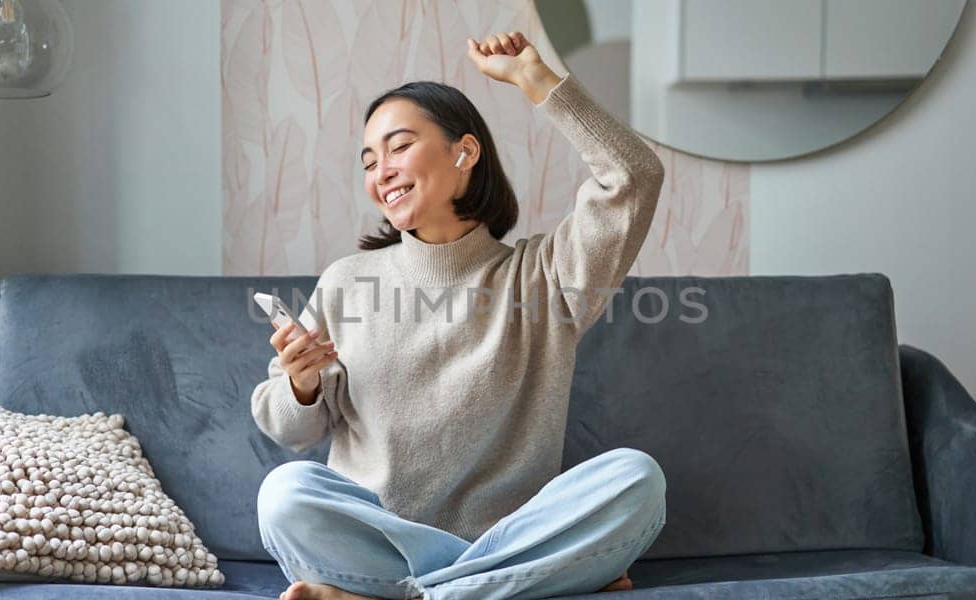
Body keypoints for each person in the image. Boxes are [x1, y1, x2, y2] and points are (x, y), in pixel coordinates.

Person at [251, 31, 667, 600]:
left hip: (506, 535)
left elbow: (634, 177)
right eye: (369, 161)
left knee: (636, 479)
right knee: (284, 493)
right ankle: (515, 583)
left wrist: (537, 81)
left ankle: (410, 594)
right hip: (384, 538)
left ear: (464, 152)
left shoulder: (546, 276)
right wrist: (300, 384)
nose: (382, 172)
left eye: (399, 147)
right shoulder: (348, 283)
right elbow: (290, 432)